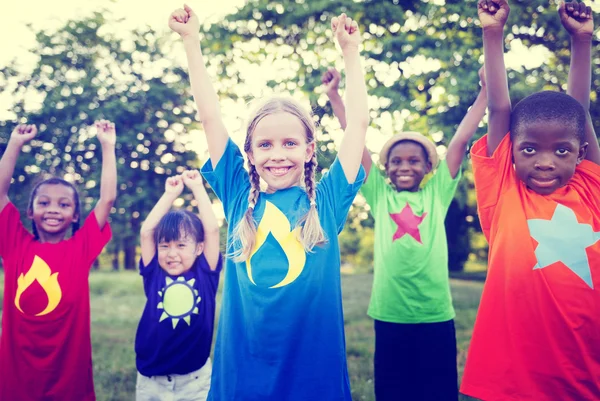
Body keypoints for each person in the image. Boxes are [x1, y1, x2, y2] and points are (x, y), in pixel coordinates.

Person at [169, 5, 369, 400]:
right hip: (245, 366)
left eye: (290, 143)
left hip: (311, 369)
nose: (277, 154)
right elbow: (209, 118)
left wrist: (351, 52)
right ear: (249, 154)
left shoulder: (326, 202)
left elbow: (359, 124)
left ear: (310, 150)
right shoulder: (237, 194)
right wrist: (191, 42)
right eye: (265, 145)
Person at [460, 1, 600, 400]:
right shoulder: (504, 190)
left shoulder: (592, 190)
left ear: (580, 151)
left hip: (581, 373)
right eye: (529, 150)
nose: (544, 162)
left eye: (561, 151)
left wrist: (583, 40)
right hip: (509, 379)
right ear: (513, 151)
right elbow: (500, 108)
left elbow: (580, 113)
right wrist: (492, 32)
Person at [323, 63, 487, 401]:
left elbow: (459, 141)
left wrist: (485, 92)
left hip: (435, 314)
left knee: (438, 391)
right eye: (396, 161)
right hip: (389, 314)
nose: (404, 167)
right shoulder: (380, 195)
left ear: (429, 168)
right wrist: (334, 97)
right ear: (386, 168)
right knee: (393, 390)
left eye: (414, 161)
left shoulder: (437, 192)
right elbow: (353, 137)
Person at [0, 120, 116, 401]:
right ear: (30, 211)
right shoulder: (14, 244)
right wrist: (14, 144)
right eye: (44, 203)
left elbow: (107, 199)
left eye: (64, 205)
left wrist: (107, 146)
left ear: (76, 216)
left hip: (68, 376)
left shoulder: (81, 248)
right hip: (18, 374)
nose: (53, 209)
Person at [135, 169, 222, 401]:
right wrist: (169, 195)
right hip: (152, 379)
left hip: (194, 380)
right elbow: (147, 232)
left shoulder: (206, 273)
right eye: (165, 246)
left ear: (199, 248)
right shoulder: (154, 272)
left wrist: (197, 188)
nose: (172, 253)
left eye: (181, 245)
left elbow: (212, 231)